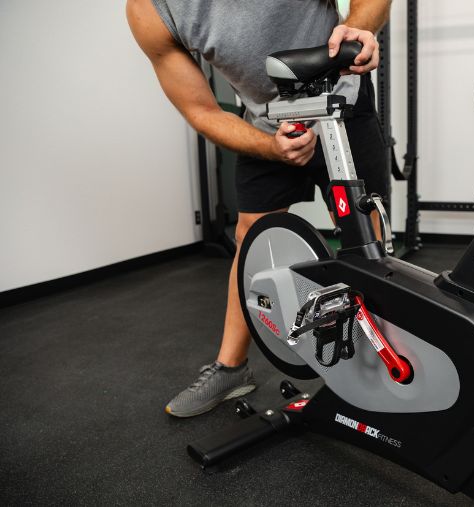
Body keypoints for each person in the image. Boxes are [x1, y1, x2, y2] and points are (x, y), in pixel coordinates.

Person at [126, 0, 391, 417]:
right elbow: (200, 108)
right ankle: (231, 369)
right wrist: (270, 147)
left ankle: (381, 362)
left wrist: (358, 26)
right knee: (251, 234)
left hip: (342, 101)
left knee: (363, 228)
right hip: (268, 121)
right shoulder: (150, 10)